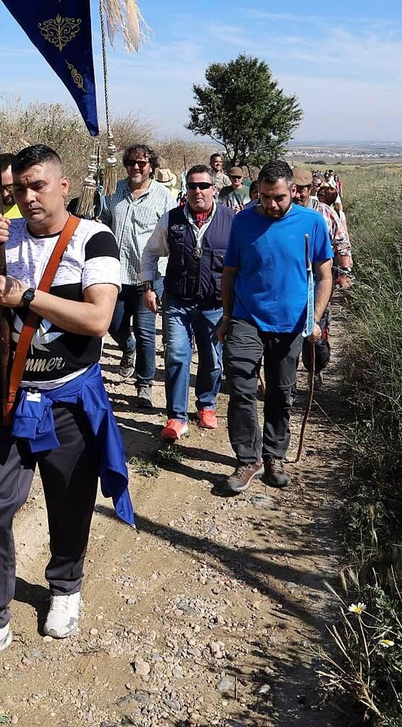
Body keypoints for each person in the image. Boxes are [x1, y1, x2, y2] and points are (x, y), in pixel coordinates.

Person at [0, 144, 134, 672]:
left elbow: (98, 319)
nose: (27, 197)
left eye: (37, 185)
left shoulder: (92, 238)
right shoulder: (0, 238)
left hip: (67, 397)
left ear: (62, 184)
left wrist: (27, 297)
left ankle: (66, 585)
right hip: (4, 395)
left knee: (70, 498)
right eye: (18, 188)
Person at [216, 161, 334, 495]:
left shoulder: (312, 223)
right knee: (241, 387)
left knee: (282, 393)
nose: (271, 204)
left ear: (293, 192)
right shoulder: (242, 222)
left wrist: (315, 319)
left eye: (279, 197)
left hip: (291, 323)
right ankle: (248, 457)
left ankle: (274, 456)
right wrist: (226, 318)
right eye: (265, 197)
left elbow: (324, 275)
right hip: (246, 318)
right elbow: (230, 272)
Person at [141, 164, 231, 440]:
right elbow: (151, 252)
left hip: (214, 304)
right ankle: (176, 417)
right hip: (177, 301)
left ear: (214, 189)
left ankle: (206, 405)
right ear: (186, 189)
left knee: (212, 359)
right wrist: (148, 286)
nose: (198, 191)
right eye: (192, 186)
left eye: (203, 186)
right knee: (177, 356)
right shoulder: (172, 219)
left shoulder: (231, 221)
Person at [101, 143, 176, 407]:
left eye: (141, 163)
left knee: (145, 332)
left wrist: (161, 278)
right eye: (131, 162)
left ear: (151, 167)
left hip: (149, 277)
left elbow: (170, 236)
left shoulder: (163, 196)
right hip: (116, 273)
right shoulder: (114, 190)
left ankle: (144, 385)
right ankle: (126, 348)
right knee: (113, 324)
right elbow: (106, 221)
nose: (135, 167)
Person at [293, 168, 354, 382]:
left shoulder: (325, 213)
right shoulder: (282, 212)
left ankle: (314, 369)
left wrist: (344, 272)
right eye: (295, 190)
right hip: (290, 283)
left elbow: (341, 242)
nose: (298, 195)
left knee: (315, 329)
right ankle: (288, 381)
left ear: (311, 189)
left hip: (319, 282)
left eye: (303, 190)